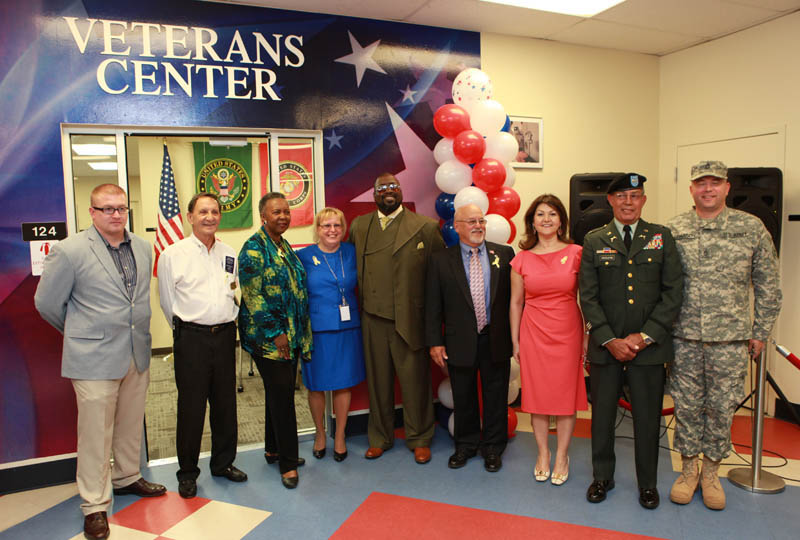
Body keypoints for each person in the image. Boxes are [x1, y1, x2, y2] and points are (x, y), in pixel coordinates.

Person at [34, 184, 166, 540]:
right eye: (106, 209)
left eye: (121, 208)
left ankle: (126, 476)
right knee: (95, 435)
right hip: (92, 358)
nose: (116, 214)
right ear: (91, 212)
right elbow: (46, 303)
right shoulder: (70, 250)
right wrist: (81, 333)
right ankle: (94, 505)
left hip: (135, 353)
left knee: (128, 424)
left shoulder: (142, 246)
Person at [667, 161, 781, 510]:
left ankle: (711, 474)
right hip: (683, 336)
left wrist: (760, 331)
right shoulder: (673, 229)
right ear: (691, 189)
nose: (708, 189)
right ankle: (688, 471)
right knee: (686, 408)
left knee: (721, 409)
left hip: (731, 339)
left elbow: (768, 284)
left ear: (727, 187)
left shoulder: (751, 228)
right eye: (701, 183)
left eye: (715, 183)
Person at [579, 173, 683, 510]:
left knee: (648, 419)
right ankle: (602, 477)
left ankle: (648, 485)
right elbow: (588, 296)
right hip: (606, 349)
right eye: (621, 196)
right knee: (603, 417)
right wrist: (609, 339)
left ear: (643, 200)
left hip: (649, 350)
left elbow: (673, 293)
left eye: (635, 195)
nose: (628, 202)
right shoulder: (595, 240)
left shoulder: (661, 237)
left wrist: (644, 336)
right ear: (609, 201)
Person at [348, 172, 445, 464]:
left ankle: (420, 437)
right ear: (374, 194)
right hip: (373, 320)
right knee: (378, 383)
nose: (388, 191)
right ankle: (380, 437)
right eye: (382, 188)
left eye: (394, 186)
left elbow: (438, 278)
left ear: (401, 191)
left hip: (410, 320)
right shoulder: (359, 226)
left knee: (415, 382)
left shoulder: (425, 228)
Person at [157, 192, 247, 499]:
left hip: (224, 336)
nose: (210, 216)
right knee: (191, 408)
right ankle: (187, 473)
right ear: (190, 216)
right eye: (203, 211)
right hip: (191, 339)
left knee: (225, 405)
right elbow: (166, 301)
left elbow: (231, 289)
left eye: (215, 211)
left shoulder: (228, 252)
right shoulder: (173, 254)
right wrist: (185, 330)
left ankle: (223, 464)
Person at [425, 204, 514, 472]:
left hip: (496, 337)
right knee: (462, 395)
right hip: (459, 339)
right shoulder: (441, 260)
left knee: (496, 395)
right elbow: (432, 305)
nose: (478, 226)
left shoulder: (505, 254)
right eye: (471, 221)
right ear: (458, 226)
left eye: (481, 220)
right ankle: (465, 445)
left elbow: (515, 300)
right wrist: (434, 342)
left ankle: (493, 448)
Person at [510, 194, 587, 486]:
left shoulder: (577, 252)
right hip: (533, 333)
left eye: (552, 214)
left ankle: (563, 455)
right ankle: (543, 454)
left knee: (566, 399)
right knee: (538, 397)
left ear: (561, 221)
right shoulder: (521, 259)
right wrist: (515, 339)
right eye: (540, 214)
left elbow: (587, 298)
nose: (546, 219)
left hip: (568, 331)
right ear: (532, 221)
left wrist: (587, 336)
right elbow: (516, 303)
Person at [238, 192, 312, 489]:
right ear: (263, 216)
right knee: (283, 398)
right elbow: (253, 298)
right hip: (268, 339)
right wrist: (276, 334)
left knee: (276, 392)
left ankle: (273, 448)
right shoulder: (254, 249)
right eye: (276, 212)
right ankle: (288, 464)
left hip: (290, 335)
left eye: (286, 211)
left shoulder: (282, 245)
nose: (283, 216)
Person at [297, 207, 366, 462]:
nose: (332, 230)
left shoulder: (352, 252)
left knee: (343, 383)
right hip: (317, 330)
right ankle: (320, 434)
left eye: (337, 225)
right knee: (316, 386)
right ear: (317, 229)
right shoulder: (304, 256)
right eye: (326, 226)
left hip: (348, 329)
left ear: (343, 227)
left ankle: (339, 436)